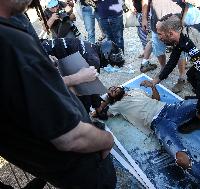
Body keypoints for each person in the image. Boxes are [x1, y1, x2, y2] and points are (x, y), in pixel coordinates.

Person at [0, 0, 116, 188]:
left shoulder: (13, 24)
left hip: (52, 165)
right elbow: (71, 138)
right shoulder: (11, 43)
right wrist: (107, 140)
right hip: (78, 165)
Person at [94, 81, 200, 189]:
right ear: (110, 98)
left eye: (114, 87)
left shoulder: (134, 91)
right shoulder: (114, 107)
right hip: (159, 124)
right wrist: (105, 102)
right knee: (182, 160)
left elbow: (156, 99)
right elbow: (97, 113)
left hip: (170, 110)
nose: (112, 89)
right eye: (110, 91)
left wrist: (153, 86)